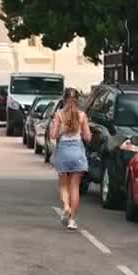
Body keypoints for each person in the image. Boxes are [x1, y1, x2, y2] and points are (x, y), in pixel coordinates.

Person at [50, 87, 91, 230]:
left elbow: (53, 136)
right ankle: (72, 220)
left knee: (63, 185)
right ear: (78, 100)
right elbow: (87, 137)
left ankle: (66, 207)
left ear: (64, 99)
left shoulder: (59, 115)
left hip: (63, 152)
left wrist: (61, 130)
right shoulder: (82, 115)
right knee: (75, 188)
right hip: (78, 152)